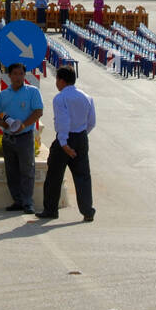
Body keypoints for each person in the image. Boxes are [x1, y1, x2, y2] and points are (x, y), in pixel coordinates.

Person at [36, 66, 96, 222]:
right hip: (81, 138)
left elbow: (63, 122)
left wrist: (64, 143)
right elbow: (91, 122)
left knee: (54, 176)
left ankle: (50, 209)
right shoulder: (86, 97)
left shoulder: (60, 98)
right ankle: (87, 211)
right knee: (83, 176)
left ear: (61, 81)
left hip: (65, 139)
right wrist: (81, 135)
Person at [0, 62, 43, 214]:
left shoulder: (32, 92)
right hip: (8, 137)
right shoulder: (3, 95)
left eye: (21, 74)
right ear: (9, 75)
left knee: (27, 170)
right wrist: (3, 124)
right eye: (15, 74)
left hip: (25, 136)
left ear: (24, 75)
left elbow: (38, 111)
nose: (18, 77)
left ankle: (28, 202)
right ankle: (17, 200)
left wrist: (23, 125)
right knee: (11, 170)